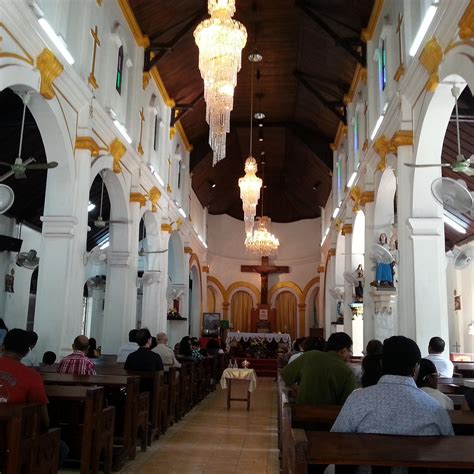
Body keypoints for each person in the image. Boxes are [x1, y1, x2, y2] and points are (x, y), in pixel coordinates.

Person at [331, 336, 454, 436]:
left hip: (368, 467)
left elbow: (337, 439)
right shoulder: (435, 408)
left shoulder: (357, 399)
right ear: (416, 369)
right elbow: (448, 447)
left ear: (381, 363)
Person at [281, 332, 356, 406]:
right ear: (343, 350)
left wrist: (299, 391)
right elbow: (348, 403)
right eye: (349, 351)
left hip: (302, 412)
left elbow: (285, 374)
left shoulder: (311, 355)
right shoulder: (346, 371)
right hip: (330, 416)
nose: (350, 354)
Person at [0, 329, 49, 427]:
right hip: (14, 439)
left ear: (2, 347)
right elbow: (44, 420)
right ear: (26, 352)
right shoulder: (33, 377)